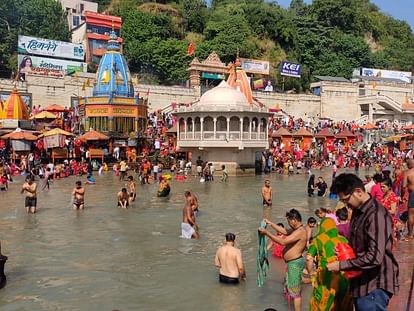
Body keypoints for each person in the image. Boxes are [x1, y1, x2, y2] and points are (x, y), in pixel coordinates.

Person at [327, 173, 399, 311]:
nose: (345, 205)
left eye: (346, 200)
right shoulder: (358, 211)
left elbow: (374, 257)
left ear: (358, 192)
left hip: (374, 284)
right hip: (361, 281)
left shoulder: (376, 214)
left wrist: (341, 265)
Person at [259, 209, 307, 311]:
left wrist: (267, 233)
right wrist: (270, 223)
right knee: (291, 289)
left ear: (294, 220)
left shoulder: (300, 232)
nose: (289, 224)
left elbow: (283, 242)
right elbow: (284, 231)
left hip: (295, 263)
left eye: (289, 222)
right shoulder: (296, 230)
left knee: (295, 292)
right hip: (292, 263)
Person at [306, 218, 353, 311]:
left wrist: (311, 273)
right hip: (344, 278)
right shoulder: (344, 239)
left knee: (321, 305)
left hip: (326, 279)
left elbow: (309, 258)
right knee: (343, 306)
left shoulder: (318, 240)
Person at [402, 158, 414, 239]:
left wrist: (402, 195)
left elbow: (403, 186)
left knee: (411, 215)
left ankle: (410, 234)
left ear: (409, 164)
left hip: (413, 194)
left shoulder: (407, 173)